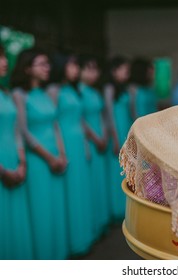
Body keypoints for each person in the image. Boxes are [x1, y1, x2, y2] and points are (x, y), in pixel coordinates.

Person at [11, 48, 68, 259]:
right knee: (41, 210)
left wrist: (62, 154)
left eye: (48, 64)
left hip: (55, 156)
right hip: (38, 160)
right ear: (27, 69)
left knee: (55, 210)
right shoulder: (19, 94)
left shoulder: (46, 93)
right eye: (41, 64)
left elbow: (55, 125)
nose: (47, 68)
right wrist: (49, 157)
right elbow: (23, 131)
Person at [48, 53, 94, 256]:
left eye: (77, 65)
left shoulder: (73, 90)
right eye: (72, 65)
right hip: (65, 142)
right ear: (61, 66)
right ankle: (72, 243)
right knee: (70, 192)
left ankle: (84, 237)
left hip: (78, 141)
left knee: (81, 190)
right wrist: (60, 150)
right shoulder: (54, 90)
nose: (76, 69)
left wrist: (85, 144)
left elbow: (80, 119)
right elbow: (54, 122)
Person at [0, 44, 33, 260]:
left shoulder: (6, 93)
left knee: (16, 222)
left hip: (13, 160)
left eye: (4, 56)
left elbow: (16, 131)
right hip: (2, 166)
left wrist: (21, 161)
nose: (4, 61)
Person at [78, 54, 110, 239]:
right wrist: (96, 138)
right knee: (89, 184)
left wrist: (104, 134)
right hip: (89, 141)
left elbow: (101, 116)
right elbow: (80, 120)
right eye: (88, 68)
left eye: (95, 69)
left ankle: (101, 222)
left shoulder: (94, 92)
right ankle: (91, 225)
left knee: (100, 181)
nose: (93, 73)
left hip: (101, 139)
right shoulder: (79, 92)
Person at [104, 56, 132, 221]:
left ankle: (126, 206)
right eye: (123, 69)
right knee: (117, 171)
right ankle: (117, 210)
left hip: (126, 129)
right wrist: (115, 139)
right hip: (117, 130)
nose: (126, 73)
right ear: (114, 71)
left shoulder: (124, 88)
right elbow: (109, 116)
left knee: (126, 170)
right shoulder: (109, 88)